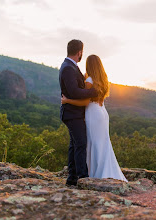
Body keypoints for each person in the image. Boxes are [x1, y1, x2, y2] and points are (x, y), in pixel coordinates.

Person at [61, 54, 128, 182]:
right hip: (102, 113)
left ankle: (95, 174)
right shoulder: (103, 80)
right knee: (102, 143)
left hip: (92, 113)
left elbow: (85, 102)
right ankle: (105, 171)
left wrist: (67, 100)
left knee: (92, 143)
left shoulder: (89, 81)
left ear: (89, 65)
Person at [59, 39, 98, 186]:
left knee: (74, 145)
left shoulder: (70, 66)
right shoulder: (69, 67)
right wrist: (93, 91)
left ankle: (72, 178)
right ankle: (82, 178)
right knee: (81, 144)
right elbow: (74, 92)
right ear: (80, 52)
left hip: (72, 113)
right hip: (72, 113)